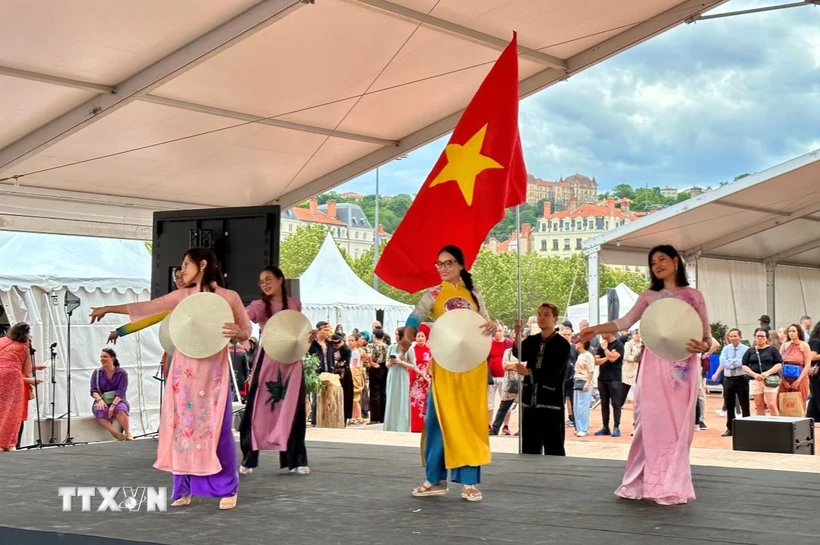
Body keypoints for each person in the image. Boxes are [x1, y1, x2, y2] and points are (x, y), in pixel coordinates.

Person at [91, 248, 250, 510]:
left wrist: (238, 332)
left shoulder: (228, 297)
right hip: (184, 374)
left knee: (216, 432)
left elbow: (246, 333)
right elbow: (148, 307)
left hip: (213, 377)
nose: (182, 270)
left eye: (186, 264)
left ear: (202, 264)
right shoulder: (181, 296)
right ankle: (183, 488)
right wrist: (109, 308)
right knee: (182, 431)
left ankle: (227, 488)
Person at [579, 244, 712, 506]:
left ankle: (671, 485)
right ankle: (640, 482)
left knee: (676, 428)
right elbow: (623, 322)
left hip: (683, 369)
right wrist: (594, 329)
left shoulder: (694, 296)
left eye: (662, 259)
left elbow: (707, 338)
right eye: (653, 263)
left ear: (676, 261)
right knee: (648, 423)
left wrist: (704, 347)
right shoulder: (649, 296)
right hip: (653, 366)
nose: (657, 265)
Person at [403, 245, 495, 502]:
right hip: (444, 365)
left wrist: (493, 324)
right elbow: (415, 316)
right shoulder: (433, 294)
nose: (443, 268)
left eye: (449, 263)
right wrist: (408, 334)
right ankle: (435, 478)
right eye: (439, 264)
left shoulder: (474, 295)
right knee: (437, 421)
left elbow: (485, 322)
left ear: (461, 266)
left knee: (469, 422)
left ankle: (469, 482)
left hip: (472, 367)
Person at [239, 266, 309, 476]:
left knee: (294, 411)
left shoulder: (295, 304)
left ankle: (296, 459)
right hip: (268, 361)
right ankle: (249, 458)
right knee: (256, 409)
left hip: (292, 362)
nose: (265, 284)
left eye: (269, 279)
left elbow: (297, 329)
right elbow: (245, 318)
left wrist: (308, 336)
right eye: (262, 281)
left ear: (280, 280)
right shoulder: (259, 306)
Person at [512, 302, 570, 455]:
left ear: (554, 319)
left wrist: (530, 372)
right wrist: (517, 334)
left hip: (550, 400)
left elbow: (555, 371)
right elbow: (520, 353)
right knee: (530, 446)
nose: (542, 318)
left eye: (546, 315)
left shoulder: (562, 344)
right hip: (530, 401)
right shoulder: (531, 341)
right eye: (539, 314)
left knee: (554, 446)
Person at [0, 323, 41, 451]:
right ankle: (7, 443)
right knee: (12, 411)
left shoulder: (1, 341)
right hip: (12, 378)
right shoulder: (24, 347)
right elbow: (26, 369)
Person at [90, 348, 132, 441]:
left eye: (105, 357)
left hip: (118, 399)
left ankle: (127, 432)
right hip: (102, 400)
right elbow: (93, 390)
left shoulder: (122, 373)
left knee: (121, 409)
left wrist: (113, 405)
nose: (102, 359)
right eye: (101, 357)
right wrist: (99, 400)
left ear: (112, 359)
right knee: (100, 410)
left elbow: (121, 391)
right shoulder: (97, 373)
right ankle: (114, 433)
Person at [384, 327, 412, 432]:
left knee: (402, 400)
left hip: (402, 375)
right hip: (392, 374)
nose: (396, 336)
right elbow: (386, 364)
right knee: (391, 399)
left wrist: (401, 362)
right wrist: (391, 362)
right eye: (395, 334)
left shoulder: (409, 348)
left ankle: (402, 427)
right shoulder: (391, 347)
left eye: (398, 334)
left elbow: (413, 365)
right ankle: (390, 426)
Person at [408, 325, 432, 433]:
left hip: (426, 380)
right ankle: (416, 427)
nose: (420, 338)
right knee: (415, 403)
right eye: (418, 336)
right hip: (415, 381)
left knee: (425, 403)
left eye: (422, 336)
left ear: (426, 337)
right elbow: (410, 364)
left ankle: (425, 427)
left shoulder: (430, 351)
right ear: (415, 337)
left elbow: (431, 365)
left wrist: (426, 375)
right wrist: (417, 375)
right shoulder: (411, 350)